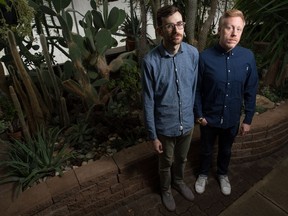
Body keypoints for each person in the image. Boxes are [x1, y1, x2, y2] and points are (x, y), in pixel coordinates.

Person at [194, 9, 258, 196]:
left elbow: (251, 89)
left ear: (242, 31)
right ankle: (203, 174)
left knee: (226, 150)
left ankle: (222, 174)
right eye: (229, 27)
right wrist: (199, 115)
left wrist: (248, 119)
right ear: (220, 29)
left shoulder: (247, 57)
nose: (234, 33)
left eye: (238, 29)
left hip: (232, 119)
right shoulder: (204, 57)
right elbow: (196, 89)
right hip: (208, 119)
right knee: (205, 150)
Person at [141, 5, 199, 212]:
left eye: (180, 24)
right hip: (165, 127)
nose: (176, 31)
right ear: (160, 31)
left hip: (187, 123)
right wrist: (153, 135)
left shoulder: (193, 54)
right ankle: (165, 189)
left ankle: (179, 181)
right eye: (169, 26)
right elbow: (148, 101)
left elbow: (193, 89)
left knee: (182, 159)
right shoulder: (150, 62)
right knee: (165, 162)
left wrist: (194, 116)